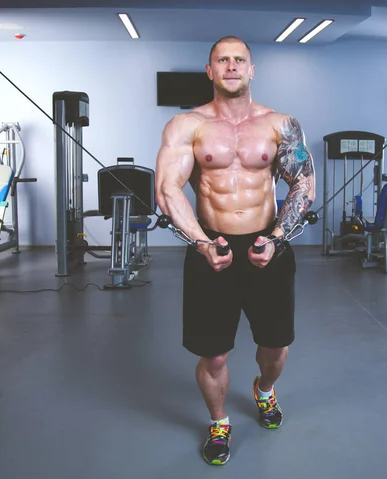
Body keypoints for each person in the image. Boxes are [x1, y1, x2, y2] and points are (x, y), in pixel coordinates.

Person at [154, 35, 316, 466]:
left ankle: (264, 391)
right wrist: (202, 243)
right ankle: (219, 423)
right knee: (215, 354)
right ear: (209, 71)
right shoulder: (187, 126)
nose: (230, 66)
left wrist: (278, 237)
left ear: (251, 69)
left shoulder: (280, 125)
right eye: (221, 60)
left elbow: (303, 184)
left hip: (268, 242)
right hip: (213, 246)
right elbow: (168, 189)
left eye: (238, 60)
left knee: (276, 346)